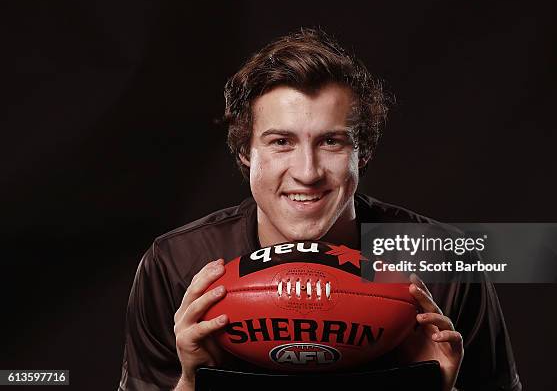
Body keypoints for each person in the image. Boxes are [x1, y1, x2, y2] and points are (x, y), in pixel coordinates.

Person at [118, 28, 521, 391]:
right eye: (281, 142)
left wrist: (436, 389)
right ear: (245, 150)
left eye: (331, 142)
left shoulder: (442, 263)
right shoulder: (178, 264)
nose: (307, 172)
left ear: (362, 153)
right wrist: (190, 382)